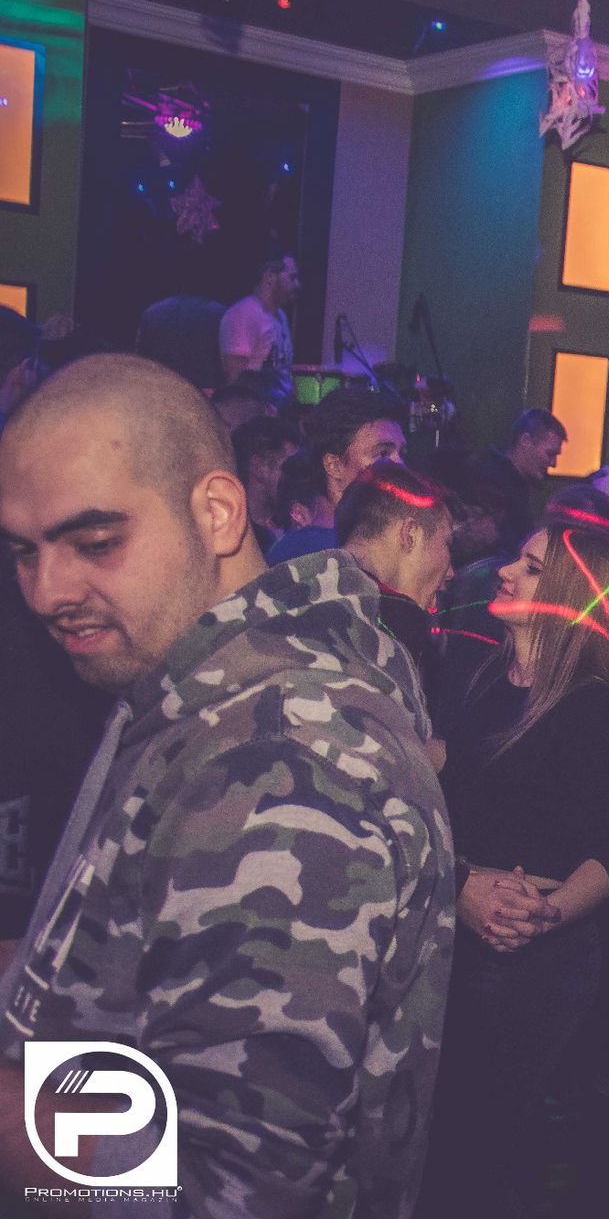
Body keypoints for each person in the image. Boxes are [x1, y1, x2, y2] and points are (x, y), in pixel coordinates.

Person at [0, 354, 452, 1213]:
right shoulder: (202, 687)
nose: (48, 591)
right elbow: (139, 955)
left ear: (216, 512)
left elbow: (222, 1182)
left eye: (96, 543)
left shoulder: (285, 761)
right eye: (24, 551)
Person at [420, 523, 609, 1217]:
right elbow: (460, 769)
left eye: (533, 567)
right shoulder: (487, 674)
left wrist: (543, 915)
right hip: (461, 931)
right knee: (449, 1140)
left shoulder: (589, 704)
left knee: (487, 1150)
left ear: (571, 595)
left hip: (532, 961)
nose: (507, 571)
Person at [336, 462, 455, 677]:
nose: (450, 573)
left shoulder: (296, 587)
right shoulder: (398, 627)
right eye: (447, 543)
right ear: (410, 534)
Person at [268, 387, 409, 564]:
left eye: (402, 453)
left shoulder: (372, 542)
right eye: (382, 453)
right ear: (334, 465)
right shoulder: (309, 554)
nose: (400, 465)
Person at [477, 408, 567, 554]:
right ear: (525, 441)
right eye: (550, 454)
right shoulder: (494, 484)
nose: (553, 463)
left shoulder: (512, 483)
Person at [219, 248, 300, 404]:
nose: (297, 284)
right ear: (270, 276)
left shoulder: (280, 316)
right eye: (292, 277)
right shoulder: (244, 314)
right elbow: (236, 380)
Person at [230, 414, 300, 553]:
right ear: (260, 468)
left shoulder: (295, 524)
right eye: (289, 466)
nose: (297, 477)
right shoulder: (240, 541)